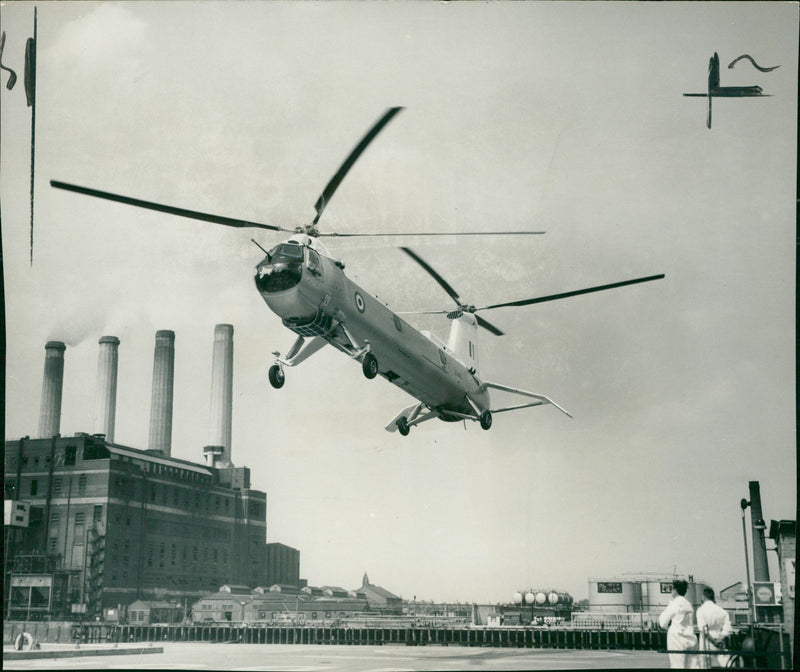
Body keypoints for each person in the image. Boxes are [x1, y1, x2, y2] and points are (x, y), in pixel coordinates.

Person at [658, 579, 698, 669]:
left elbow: (662, 623)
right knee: (693, 666)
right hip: (691, 638)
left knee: (677, 666)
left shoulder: (674, 604)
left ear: (675, 591)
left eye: (672, 589)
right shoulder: (689, 605)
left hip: (677, 639)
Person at [695, 587, 733, 669]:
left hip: (707, 642)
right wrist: (720, 638)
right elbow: (727, 628)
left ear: (704, 597)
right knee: (727, 664)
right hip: (720, 641)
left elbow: (703, 629)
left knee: (704, 666)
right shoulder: (722, 611)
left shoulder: (700, 610)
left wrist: (713, 641)